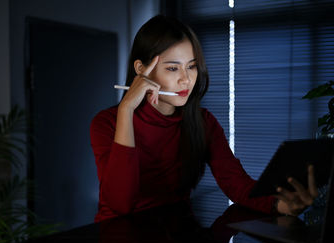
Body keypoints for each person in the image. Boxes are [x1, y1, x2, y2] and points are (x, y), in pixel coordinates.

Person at [90, 14, 318, 223]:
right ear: (141, 69)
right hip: (118, 236)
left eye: (191, 67)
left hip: (175, 235)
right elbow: (121, 205)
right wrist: (126, 110)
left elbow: (236, 184)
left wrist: (282, 205)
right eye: (172, 69)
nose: (186, 80)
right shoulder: (107, 123)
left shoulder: (203, 122)